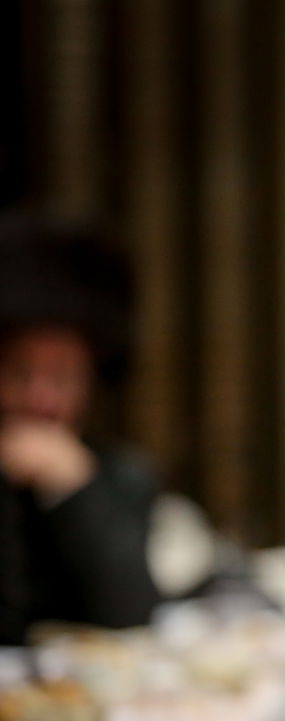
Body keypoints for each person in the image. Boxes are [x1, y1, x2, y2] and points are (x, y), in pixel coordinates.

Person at [0, 220, 160, 643]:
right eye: (19, 372)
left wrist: (72, 489)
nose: (39, 398)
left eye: (61, 377)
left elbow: (132, 617)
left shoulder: (120, 476)